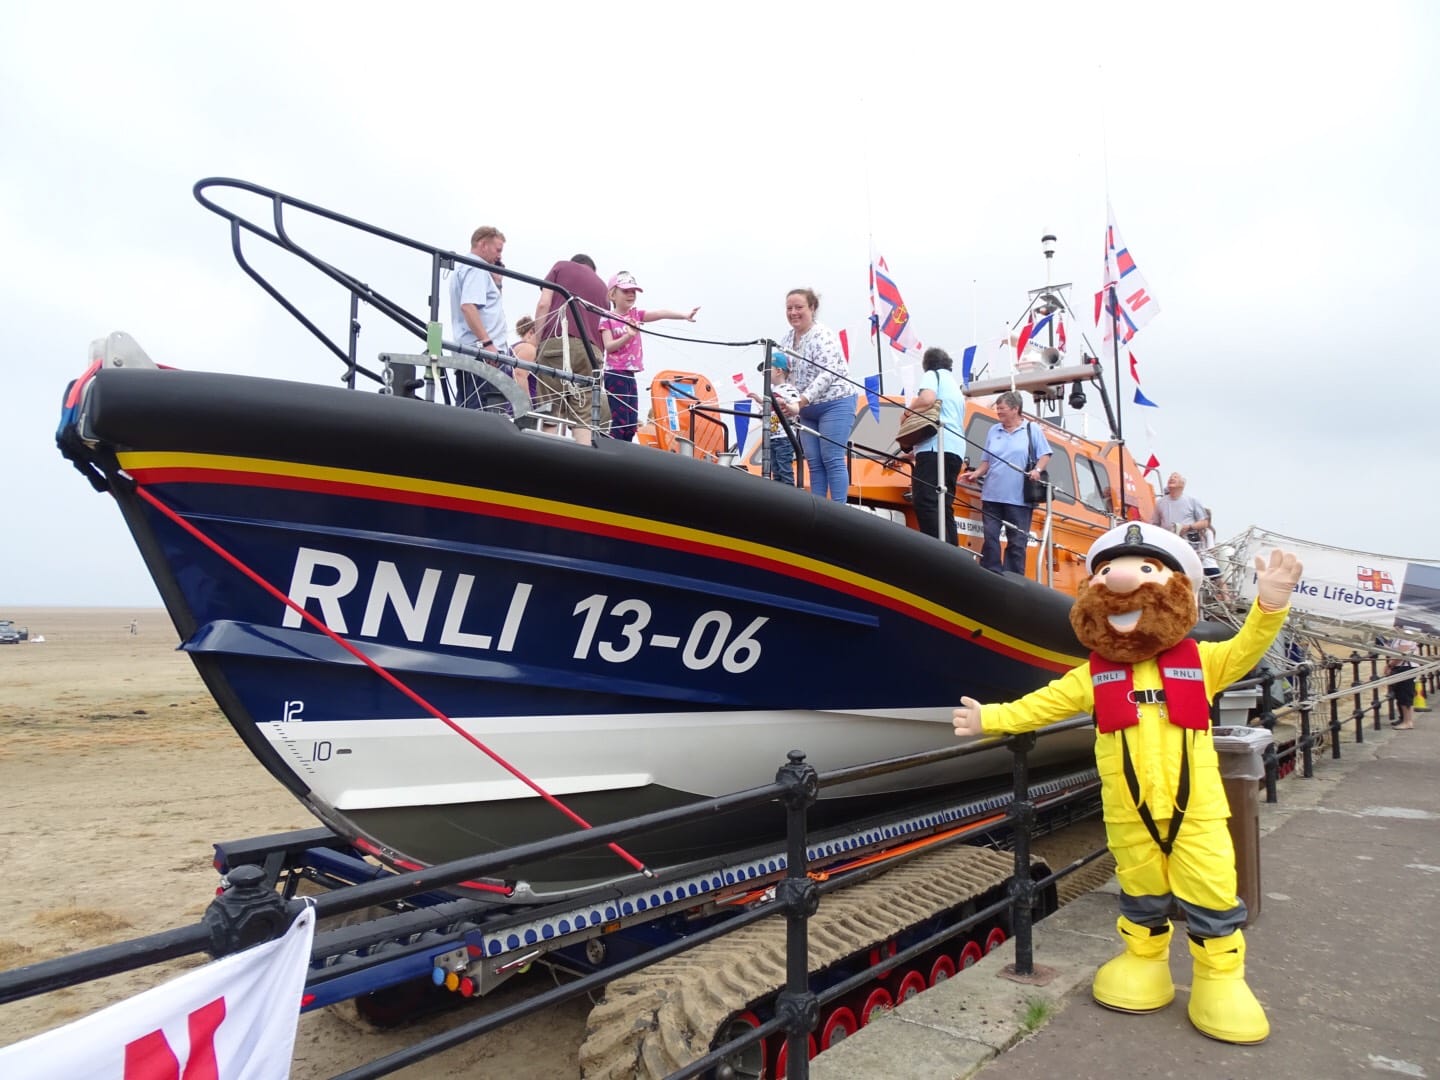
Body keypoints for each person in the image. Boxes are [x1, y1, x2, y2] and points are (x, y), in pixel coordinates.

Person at [954, 522, 1304, 1045]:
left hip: (1197, 810)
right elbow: (1042, 705)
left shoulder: (1203, 662)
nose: (1118, 581)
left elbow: (1246, 647)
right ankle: (1146, 960)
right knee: (1140, 889)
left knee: (1210, 893)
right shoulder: (1091, 676)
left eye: (1146, 570)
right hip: (1128, 810)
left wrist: (1269, 608)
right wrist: (993, 718)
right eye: (1106, 572)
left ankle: (1220, 979)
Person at [598, 271, 700, 442]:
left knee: (631, 424)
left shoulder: (636, 315)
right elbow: (609, 346)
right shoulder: (607, 318)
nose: (631, 294)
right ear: (612, 294)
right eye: (626, 291)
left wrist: (684, 315)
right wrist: (628, 335)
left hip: (630, 374)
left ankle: (624, 453)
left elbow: (661, 313)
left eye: (633, 291)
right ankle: (612, 449)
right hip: (615, 373)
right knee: (620, 421)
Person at [772, 288, 854, 501]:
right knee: (814, 462)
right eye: (789, 308)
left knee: (832, 458)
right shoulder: (787, 339)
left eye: (799, 307)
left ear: (812, 308)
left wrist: (800, 401)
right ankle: (818, 509)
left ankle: (838, 510)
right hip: (805, 408)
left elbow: (827, 374)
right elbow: (784, 374)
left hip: (835, 402)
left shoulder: (823, 335)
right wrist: (784, 399)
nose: (793, 313)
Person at [957, 391, 1051, 574]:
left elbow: (1045, 454)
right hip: (992, 494)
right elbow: (987, 460)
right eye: (998, 409)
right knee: (990, 536)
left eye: (1002, 409)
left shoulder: (1032, 429)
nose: (998, 413)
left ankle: (1013, 576)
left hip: (1019, 498)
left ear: (1015, 409)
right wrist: (976, 474)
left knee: (1017, 541)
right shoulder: (994, 430)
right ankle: (990, 571)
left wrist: (1037, 470)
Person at [533, 254, 610, 446]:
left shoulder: (561, 267)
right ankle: (581, 468)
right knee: (583, 418)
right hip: (593, 354)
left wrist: (536, 342)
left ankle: (547, 459)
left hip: (559, 342)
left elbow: (544, 304)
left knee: (550, 409)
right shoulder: (603, 288)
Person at [905, 346, 965, 544]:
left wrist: (907, 411)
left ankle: (936, 550)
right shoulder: (955, 386)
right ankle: (953, 553)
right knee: (944, 503)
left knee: (925, 500)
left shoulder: (933, 375)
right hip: (955, 449)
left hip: (935, 446)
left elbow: (927, 398)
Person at [448, 226, 511, 412]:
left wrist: (497, 283)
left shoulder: (466, 267)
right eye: (497, 250)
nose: (499, 256)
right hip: (483, 355)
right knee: (482, 413)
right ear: (483, 244)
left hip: (471, 352)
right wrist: (487, 343)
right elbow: (468, 306)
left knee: (468, 410)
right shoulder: (477, 268)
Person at [747, 351, 801, 484]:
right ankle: (780, 497)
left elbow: (796, 409)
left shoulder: (788, 389)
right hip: (771, 437)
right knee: (775, 471)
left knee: (784, 469)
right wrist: (760, 401)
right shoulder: (769, 392)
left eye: (767, 369)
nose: (763, 374)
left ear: (778, 371)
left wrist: (786, 406)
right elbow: (767, 412)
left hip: (784, 437)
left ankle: (790, 496)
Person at [1151, 473, 1210, 553]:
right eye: (1170, 477)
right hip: (1167, 543)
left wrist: (1188, 527)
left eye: (1175, 477)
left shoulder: (1192, 500)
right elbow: (1154, 524)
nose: (1171, 478)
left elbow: (1205, 522)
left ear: (1182, 484)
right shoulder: (1160, 503)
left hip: (1188, 543)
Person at [1389, 640, 1418, 729]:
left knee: (1405, 694)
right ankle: (1405, 720)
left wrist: (1390, 665)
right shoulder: (1400, 637)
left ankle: (1407, 722)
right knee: (1402, 694)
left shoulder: (1406, 635)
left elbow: (1403, 654)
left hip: (1405, 667)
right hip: (1404, 667)